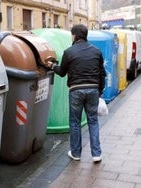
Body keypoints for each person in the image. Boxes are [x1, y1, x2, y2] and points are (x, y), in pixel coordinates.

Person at [52, 24, 106, 163]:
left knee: (75, 122)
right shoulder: (96, 51)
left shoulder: (69, 52)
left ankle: (76, 153)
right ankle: (96, 154)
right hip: (93, 89)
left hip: (76, 90)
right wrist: (99, 91)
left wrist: (52, 66)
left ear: (74, 36)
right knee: (93, 121)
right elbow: (102, 73)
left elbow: (62, 72)